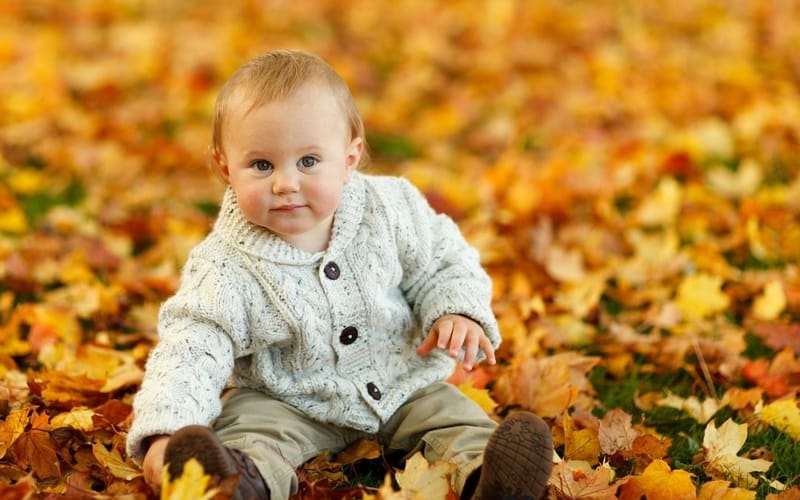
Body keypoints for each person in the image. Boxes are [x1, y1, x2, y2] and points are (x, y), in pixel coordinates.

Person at [125, 49, 553, 500]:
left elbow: (442, 261)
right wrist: (164, 432)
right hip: (285, 398)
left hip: (399, 382)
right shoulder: (224, 264)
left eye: (308, 161)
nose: (285, 183)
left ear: (349, 157)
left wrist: (456, 310)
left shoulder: (390, 208)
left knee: (453, 419)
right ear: (225, 166)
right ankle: (232, 484)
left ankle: (491, 479)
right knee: (252, 433)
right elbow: (192, 347)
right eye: (262, 165)